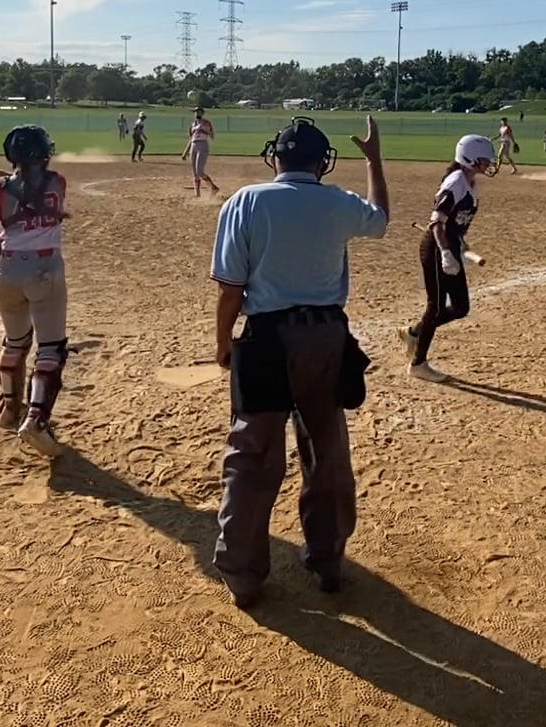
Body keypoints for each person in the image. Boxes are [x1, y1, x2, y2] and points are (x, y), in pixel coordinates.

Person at [209, 116, 389, 608]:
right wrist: (373, 161)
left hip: (266, 338)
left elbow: (231, 288)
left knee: (251, 454)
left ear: (276, 157)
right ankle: (327, 558)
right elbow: (380, 218)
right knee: (326, 448)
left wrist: (223, 341)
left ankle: (243, 574)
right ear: (321, 162)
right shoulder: (339, 202)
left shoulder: (246, 200)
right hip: (326, 337)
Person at [0, 125, 71, 457]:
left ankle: (10, 409)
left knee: (15, 342)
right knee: (51, 348)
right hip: (45, 269)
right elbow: (35, 187)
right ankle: (36, 421)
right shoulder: (57, 183)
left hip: (9, 272)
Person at [402, 135, 494, 383]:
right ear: (470, 158)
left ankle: (414, 332)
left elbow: (455, 222)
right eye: (485, 159)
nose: (489, 163)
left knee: (461, 307)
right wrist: (445, 252)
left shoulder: (468, 181)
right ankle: (418, 364)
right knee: (436, 306)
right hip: (437, 248)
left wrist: (459, 241)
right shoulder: (455, 183)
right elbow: (436, 223)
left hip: (450, 245)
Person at [185, 107, 221, 196]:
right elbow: (191, 139)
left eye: (199, 112)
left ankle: (213, 187)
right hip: (193, 146)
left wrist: (206, 130)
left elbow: (211, 135)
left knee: (199, 171)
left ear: (202, 113)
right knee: (195, 172)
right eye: (196, 112)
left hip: (202, 145)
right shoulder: (192, 124)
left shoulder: (206, 123)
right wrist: (185, 152)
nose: (197, 114)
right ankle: (197, 194)